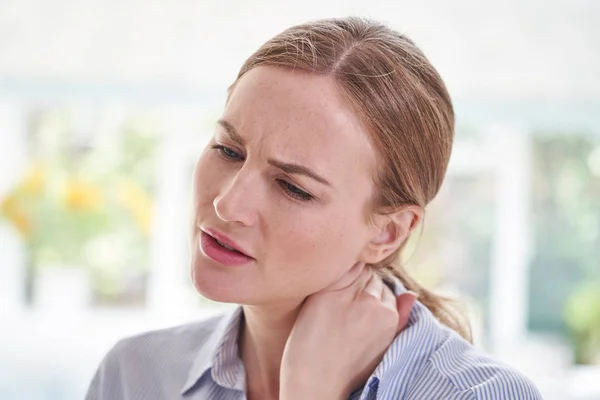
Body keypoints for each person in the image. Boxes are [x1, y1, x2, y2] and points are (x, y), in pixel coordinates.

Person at [85, 17, 542, 400]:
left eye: (292, 187)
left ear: (388, 232)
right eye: (228, 150)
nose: (228, 203)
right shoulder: (136, 377)